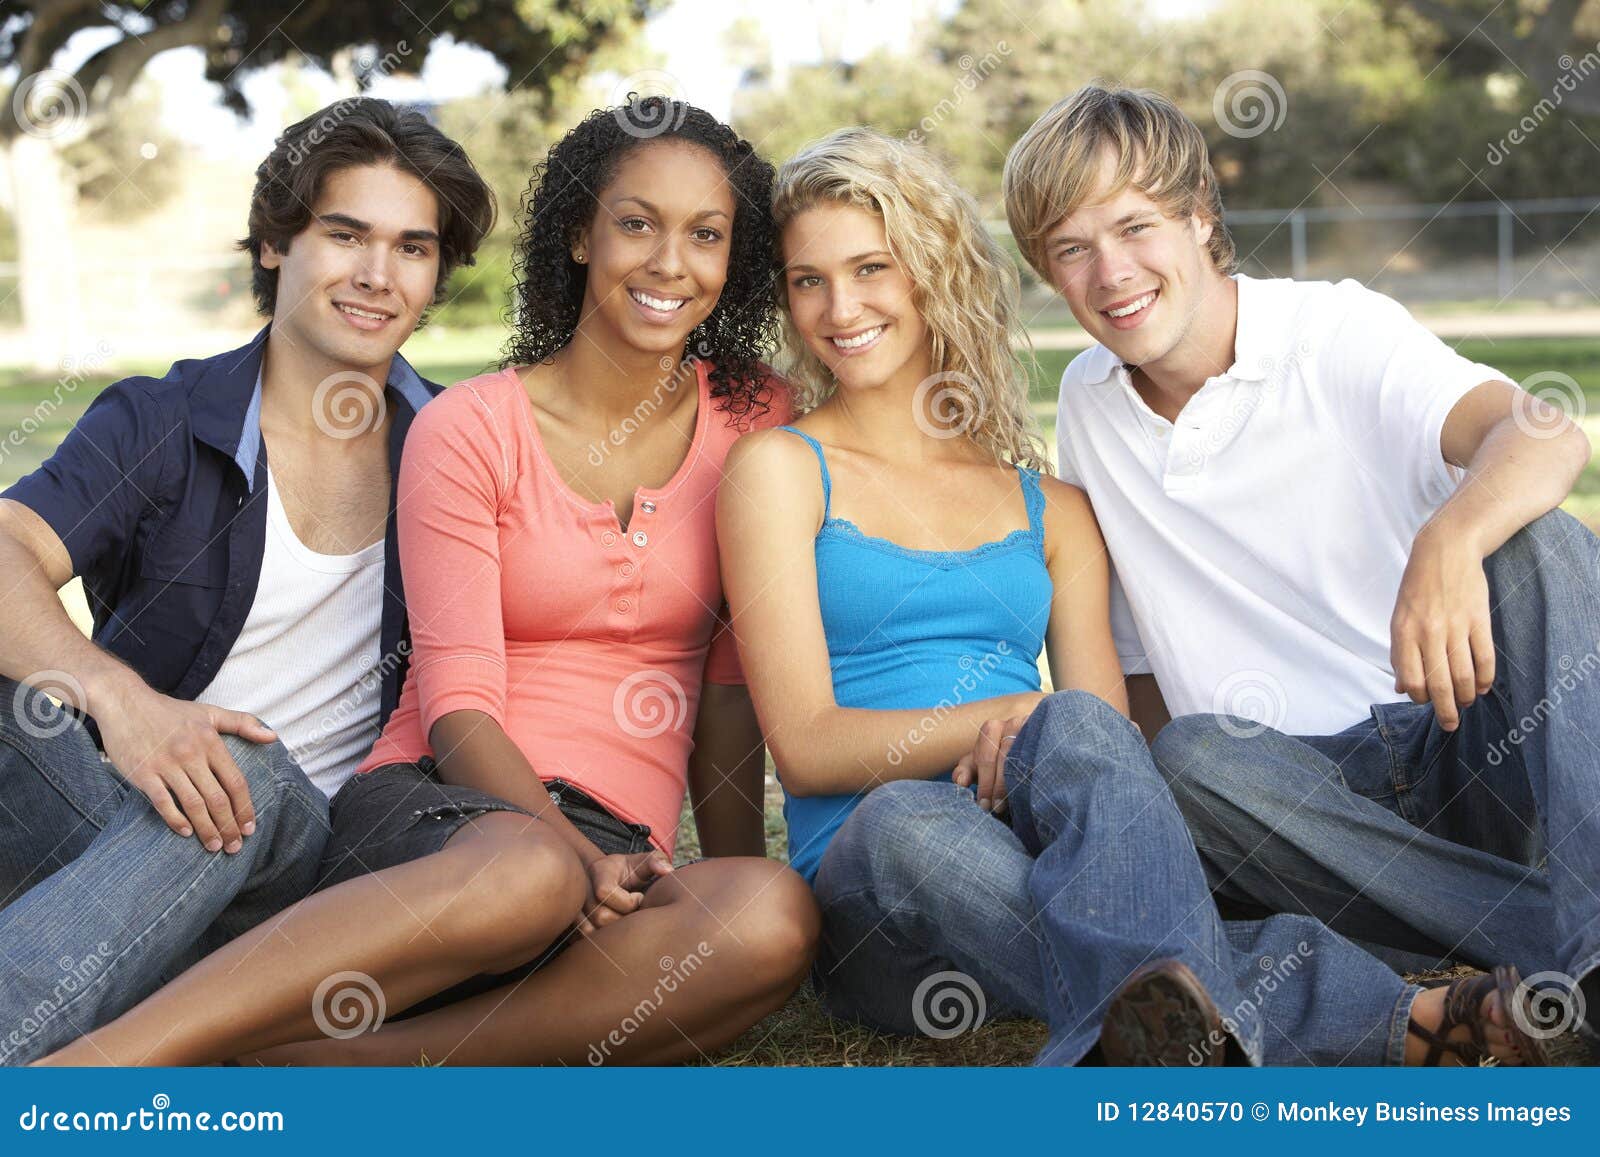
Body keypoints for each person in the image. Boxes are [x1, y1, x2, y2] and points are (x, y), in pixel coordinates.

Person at [717, 127, 1538, 1066]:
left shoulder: (1049, 503)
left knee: (1087, 795)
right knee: (915, 821)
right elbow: (810, 746)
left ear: (931, 274)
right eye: (807, 280)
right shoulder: (782, 469)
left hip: (1027, 867)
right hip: (882, 891)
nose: (840, 306)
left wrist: (1046, 726)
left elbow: (1101, 738)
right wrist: (1021, 711)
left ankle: (1159, 1028)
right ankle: (1401, 1020)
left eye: (871, 268)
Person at [40, 98, 817, 1068]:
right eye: (635, 223)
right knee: (526, 873)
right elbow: (456, 706)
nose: (669, 263)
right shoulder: (469, 428)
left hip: (617, 844)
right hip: (440, 812)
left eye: (705, 235)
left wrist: (704, 866)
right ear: (580, 234)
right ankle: (98, 1064)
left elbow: (730, 682)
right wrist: (565, 856)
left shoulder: (761, 423)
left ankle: (325, 1070)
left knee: (769, 914)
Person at [1002, 82, 1598, 1058]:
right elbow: (1137, 661)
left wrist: (1445, 541)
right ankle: (1565, 954)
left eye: (1135, 226)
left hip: (1456, 732)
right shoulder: (1087, 400)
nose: (1110, 272)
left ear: (1200, 215)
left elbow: (1540, 432)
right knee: (1187, 757)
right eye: (1071, 247)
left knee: (1539, 544)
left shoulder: (1331, 330)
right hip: (1286, 808)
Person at [0, 99, 494, 1066]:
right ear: (275, 242)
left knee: (252, 776)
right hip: (120, 813)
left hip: (298, 874)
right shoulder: (166, 418)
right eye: (344, 234)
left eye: (413, 248)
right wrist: (122, 699)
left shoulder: (462, 447)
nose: (376, 276)